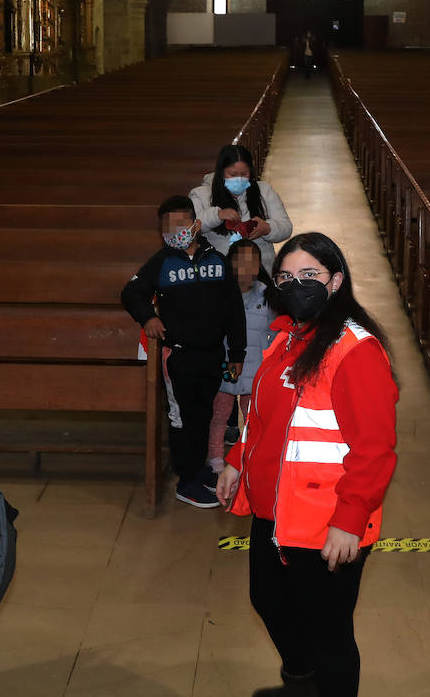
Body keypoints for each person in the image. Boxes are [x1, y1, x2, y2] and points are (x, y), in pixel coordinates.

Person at [216, 232, 398, 697]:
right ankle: (301, 681)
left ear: (335, 281)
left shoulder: (355, 350)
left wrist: (350, 522)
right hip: (273, 508)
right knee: (269, 601)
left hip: (325, 518)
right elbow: (261, 415)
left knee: (328, 630)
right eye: (286, 276)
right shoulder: (285, 337)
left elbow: (375, 450)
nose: (296, 285)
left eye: (310, 275)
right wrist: (237, 461)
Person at [122, 195, 247, 508]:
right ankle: (186, 481)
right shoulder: (161, 262)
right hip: (178, 357)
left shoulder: (217, 260)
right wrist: (148, 317)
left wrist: (237, 353)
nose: (176, 231)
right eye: (169, 227)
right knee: (182, 419)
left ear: (196, 224)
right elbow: (131, 292)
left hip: (214, 354)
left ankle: (199, 468)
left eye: (182, 224)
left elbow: (234, 309)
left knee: (205, 414)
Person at [207, 238, 275, 476]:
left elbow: (274, 333)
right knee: (220, 416)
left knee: (251, 418)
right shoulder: (220, 294)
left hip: (255, 368)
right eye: (241, 262)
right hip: (229, 365)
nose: (247, 269)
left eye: (252, 263)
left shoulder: (267, 296)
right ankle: (215, 456)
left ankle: (247, 454)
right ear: (230, 264)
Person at [189, 143, 293, 273]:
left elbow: (286, 227)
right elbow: (189, 230)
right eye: (232, 174)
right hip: (219, 271)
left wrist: (267, 228)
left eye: (244, 174)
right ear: (221, 172)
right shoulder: (201, 195)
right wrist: (216, 215)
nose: (238, 179)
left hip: (260, 270)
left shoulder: (264, 191)